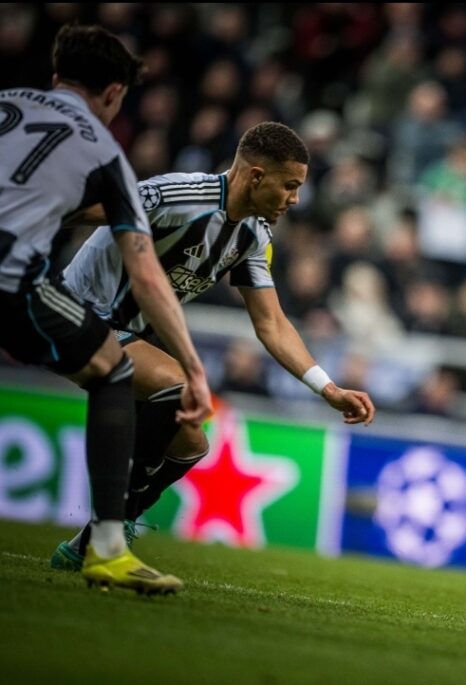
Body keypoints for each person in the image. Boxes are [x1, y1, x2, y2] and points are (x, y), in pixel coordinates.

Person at [48, 120, 376, 571]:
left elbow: (271, 323)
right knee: (180, 386)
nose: (296, 199)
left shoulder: (253, 236)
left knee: (190, 443)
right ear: (256, 176)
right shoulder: (177, 195)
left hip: (126, 336)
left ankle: (89, 541)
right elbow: (86, 208)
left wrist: (328, 388)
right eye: (290, 186)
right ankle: (111, 525)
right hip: (73, 313)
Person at [0, 24, 212, 593]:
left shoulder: (7, 103)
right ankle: (108, 548)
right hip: (9, 277)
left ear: (56, 76)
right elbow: (145, 272)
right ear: (115, 93)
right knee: (113, 369)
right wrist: (192, 366)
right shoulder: (102, 151)